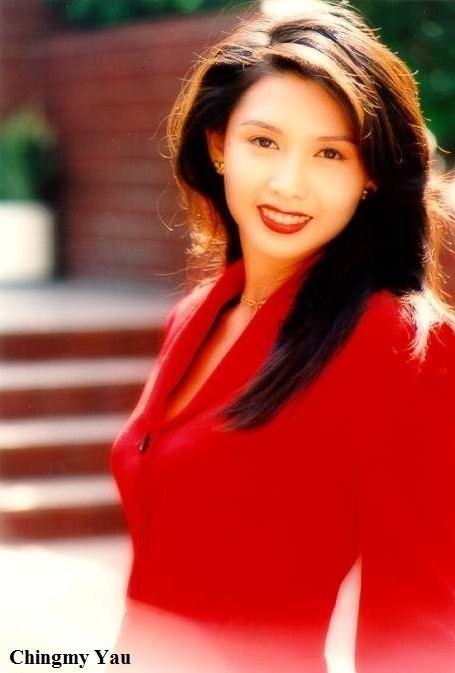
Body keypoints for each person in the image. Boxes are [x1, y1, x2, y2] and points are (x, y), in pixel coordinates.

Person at [110, 1, 455, 671]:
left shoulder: (400, 346)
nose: (287, 184)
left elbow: (417, 626)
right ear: (217, 144)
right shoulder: (196, 315)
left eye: (330, 153)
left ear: (370, 176)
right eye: (263, 141)